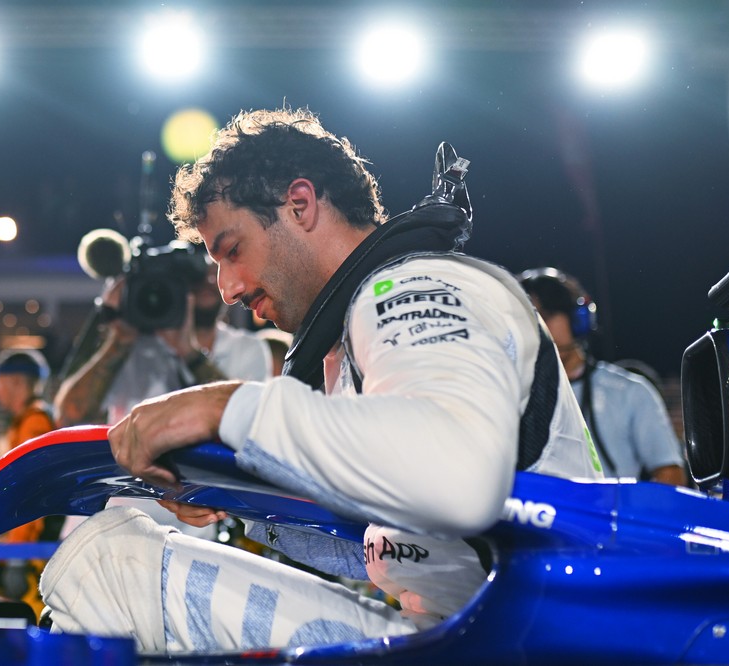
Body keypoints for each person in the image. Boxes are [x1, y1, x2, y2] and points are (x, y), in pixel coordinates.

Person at [38, 108, 602, 653]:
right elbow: (403, 541)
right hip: (489, 627)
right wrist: (227, 497)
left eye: (232, 251)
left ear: (301, 204)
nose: (227, 288)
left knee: (113, 563)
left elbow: (457, 474)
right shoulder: (360, 332)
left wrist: (229, 408)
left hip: (522, 638)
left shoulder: (407, 289)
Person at [518, 267, 687, 485]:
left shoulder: (630, 392)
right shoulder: (509, 398)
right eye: (528, 320)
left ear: (578, 319)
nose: (538, 328)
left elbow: (670, 475)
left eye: (547, 316)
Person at [54, 261, 271, 428]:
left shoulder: (248, 349)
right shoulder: (136, 349)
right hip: (135, 485)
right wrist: (119, 341)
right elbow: (69, 416)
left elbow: (247, 420)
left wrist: (188, 352)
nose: (207, 281)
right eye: (195, 275)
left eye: (215, 273)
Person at [0, 349, 59, 618]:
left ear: (16, 382)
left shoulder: (34, 422)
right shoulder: (25, 422)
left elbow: (29, 491)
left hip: (32, 550)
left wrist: (17, 554)